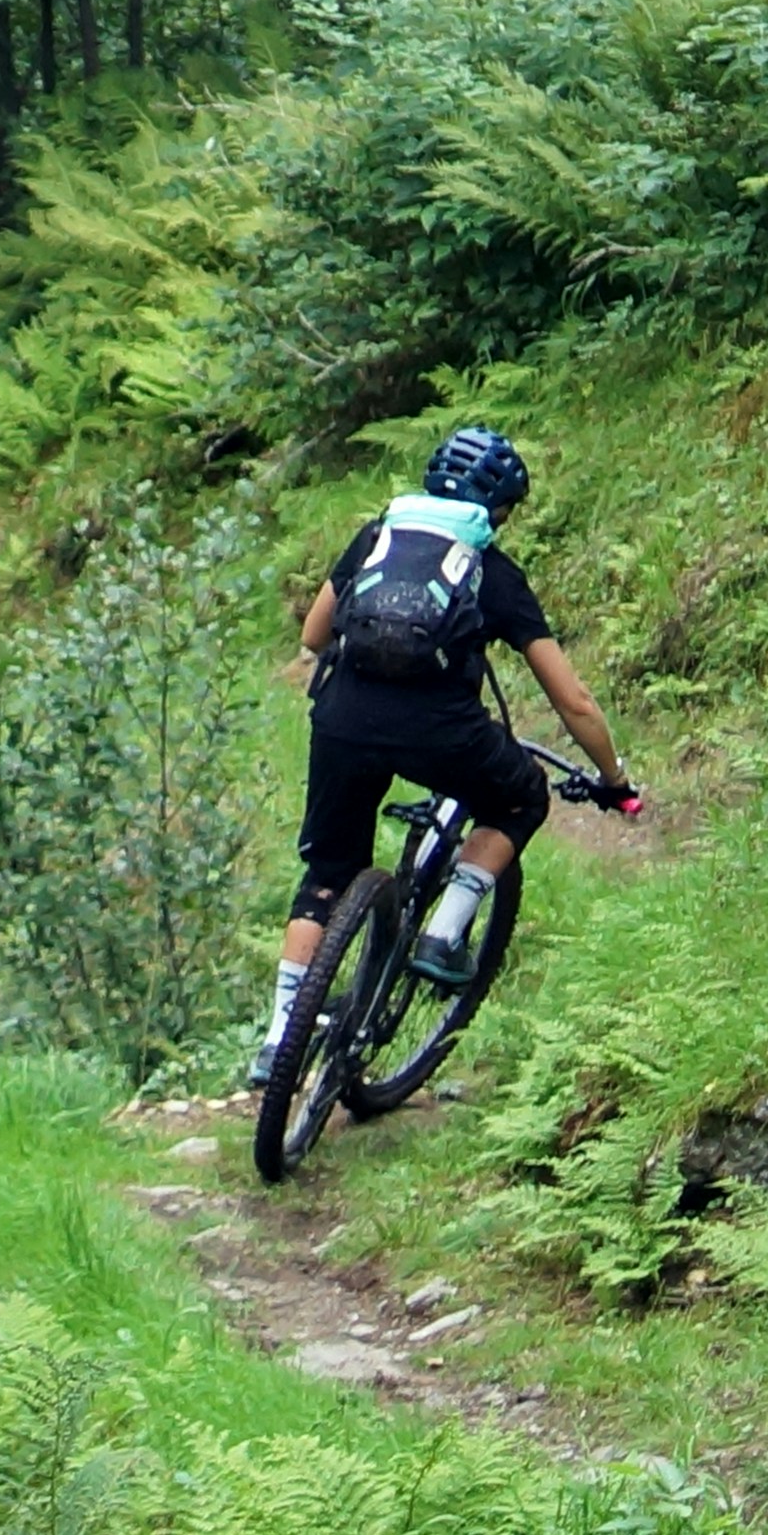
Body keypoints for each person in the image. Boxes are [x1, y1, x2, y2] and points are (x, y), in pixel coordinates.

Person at [255, 424, 640, 1090]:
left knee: (325, 875)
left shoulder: (377, 537)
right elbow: (572, 700)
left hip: (342, 719)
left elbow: (314, 634)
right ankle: (445, 930)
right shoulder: (491, 569)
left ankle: (278, 1041)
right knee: (520, 796)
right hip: (442, 732)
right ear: (499, 510)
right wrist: (615, 780)